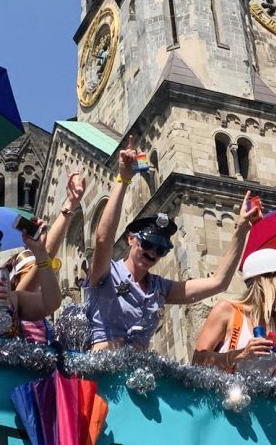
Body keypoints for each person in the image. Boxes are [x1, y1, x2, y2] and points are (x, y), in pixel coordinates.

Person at [84, 138, 261, 350]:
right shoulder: (105, 274)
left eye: (161, 249)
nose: (152, 252)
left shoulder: (160, 288)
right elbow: (103, 240)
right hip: (100, 372)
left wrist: (241, 230)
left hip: (136, 375)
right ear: (131, 239)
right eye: (148, 243)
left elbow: (219, 283)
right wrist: (123, 179)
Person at [191, 248, 276, 373]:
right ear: (263, 281)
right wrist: (239, 355)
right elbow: (197, 360)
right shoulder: (227, 310)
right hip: (223, 391)